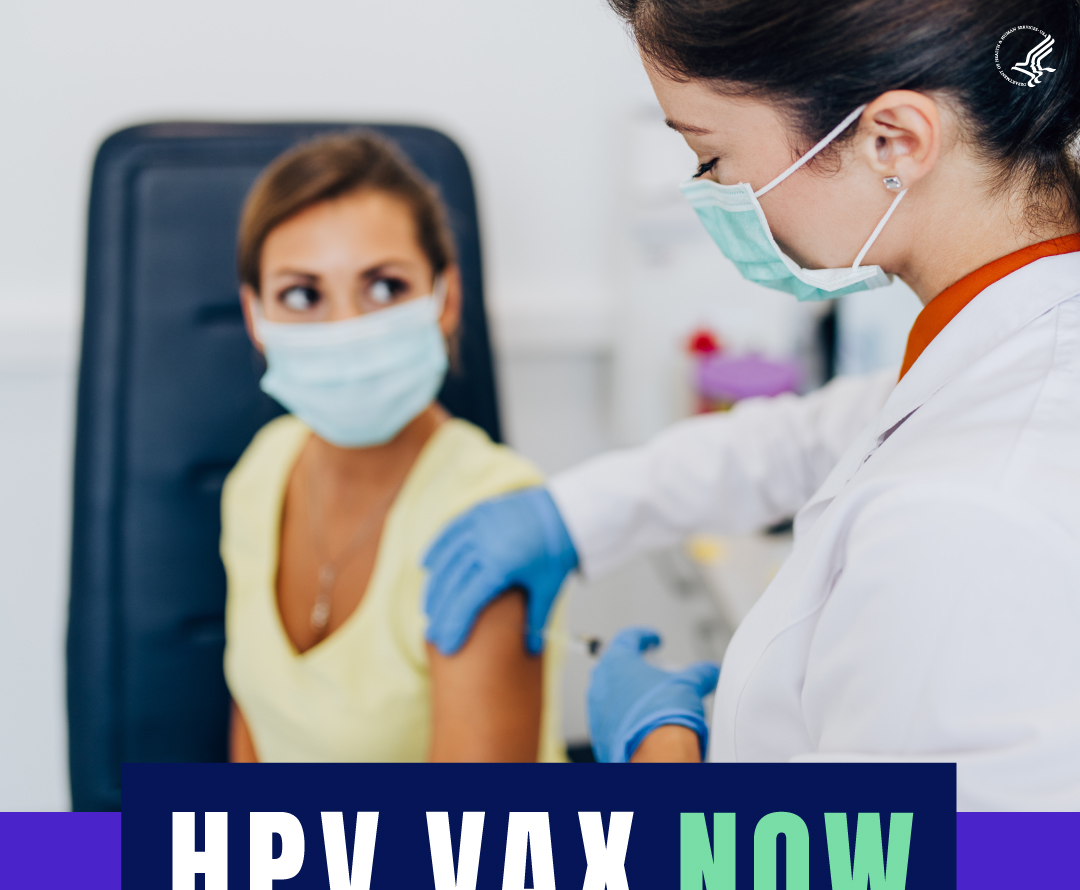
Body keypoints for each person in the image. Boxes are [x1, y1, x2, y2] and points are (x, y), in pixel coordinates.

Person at [423, 0, 1080, 808]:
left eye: (710, 156)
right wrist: (574, 513)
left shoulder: (976, 507)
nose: (712, 193)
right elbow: (825, 434)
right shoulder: (1004, 341)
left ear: (893, 142)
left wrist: (662, 762)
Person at [222, 132, 565, 763]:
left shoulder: (491, 520)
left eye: (384, 287)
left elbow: (470, 852)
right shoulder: (262, 471)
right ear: (255, 316)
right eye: (303, 295)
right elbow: (256, 730)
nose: (348, 327)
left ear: (446, 298)